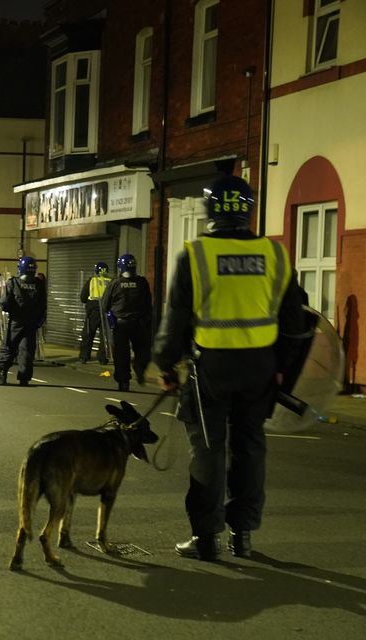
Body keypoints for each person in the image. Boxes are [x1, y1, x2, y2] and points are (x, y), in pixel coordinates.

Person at [154, 175, 306, 562]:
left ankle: (206, 539)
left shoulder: (196, 255)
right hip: (260, 369)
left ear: (210, 211)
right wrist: (282, 369)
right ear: (248, 210)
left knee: (207, 449)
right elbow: (293, 321)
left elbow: (177, 319)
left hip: (212, 369)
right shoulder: (275, 255)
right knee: (250, 448)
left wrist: (165, 364)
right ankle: (244, 536)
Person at [101, 253, 152, 392]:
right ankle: (139, 367)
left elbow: (105, 305)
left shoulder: (115, 284)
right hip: (139, 324)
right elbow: (149, 304)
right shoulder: (142, 282)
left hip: (120, 324)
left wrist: (111, 320)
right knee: (143, 351)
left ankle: (124, 382)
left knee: (121, 356)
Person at [0, 256, 46, 386]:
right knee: (27, 350)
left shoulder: (14, 283)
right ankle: (24, 378)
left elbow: (4, 302)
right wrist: (39, 320)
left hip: (16, 321)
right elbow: (43, 305)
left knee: (8, 347)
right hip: (31, 322)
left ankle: (3, 373)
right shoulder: (39, 284)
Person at [79, 262, 111, 364]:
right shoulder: (111, 281)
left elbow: (83, 297)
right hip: (106, 309)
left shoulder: (92, 280)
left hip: (93, 310)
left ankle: (84, 356)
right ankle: (103, 358)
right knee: (104, 335)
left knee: (88, 333)